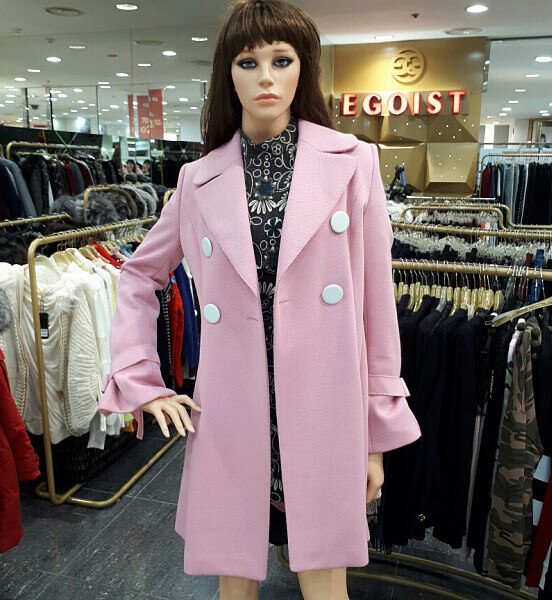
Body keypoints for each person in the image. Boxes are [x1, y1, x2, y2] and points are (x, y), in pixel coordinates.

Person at [97, 1, 421, 599]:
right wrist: (142, 380)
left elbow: (377, 306)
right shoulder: (198, 180)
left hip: (324, 409)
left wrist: (375, 437)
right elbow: (138, 277)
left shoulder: (353, 163)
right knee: (234, 582)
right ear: (228, 73)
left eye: (282, 60)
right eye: (248, 62)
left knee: (326, 585)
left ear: (304, 69)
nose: (266, 77)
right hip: (234, 411)